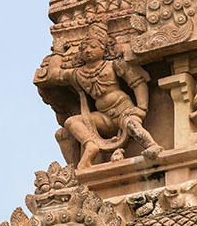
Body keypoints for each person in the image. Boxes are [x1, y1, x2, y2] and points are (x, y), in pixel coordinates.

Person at [41, 24, 163, 169]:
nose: (87, 50)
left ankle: (152, 145)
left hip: (123, 110)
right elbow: (54, 75)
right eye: (84, 48)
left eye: (93, 46)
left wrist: (142, 108)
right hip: (103, 117)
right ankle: (90, 146)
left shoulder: (114, 65)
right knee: (71, 122)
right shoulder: (79, 74)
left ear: (103, 48)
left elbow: (138, 82)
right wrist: (58, 51)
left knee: (132, 125)